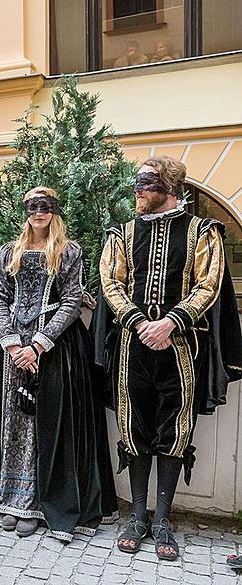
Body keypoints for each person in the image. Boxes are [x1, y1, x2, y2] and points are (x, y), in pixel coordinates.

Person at [96, 157, 241, 561]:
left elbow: (209, 282)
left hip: (181, 348)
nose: (137, 190)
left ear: (169, 186)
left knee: (175, 430)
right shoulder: (122, 233)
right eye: (137, 182)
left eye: (145, 182)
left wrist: (171, 323)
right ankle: (137, 516)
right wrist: (140, 322)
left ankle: (162, 518)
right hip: (132, 346)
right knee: (135, 424)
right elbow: (111, 280)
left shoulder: (201, 231)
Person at [0, 187, 116, 541]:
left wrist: (41, 343)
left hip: (56, 349)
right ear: (26, 212)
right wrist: (13, 343)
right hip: (10, 348)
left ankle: (37, 504)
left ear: (54, 211)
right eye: (33, 207)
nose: (39, 213)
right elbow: (0, 299)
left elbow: (73, 299)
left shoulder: (68, 251)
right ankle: (11, 499)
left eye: (45, 207)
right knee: (10, 420)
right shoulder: (8, 253)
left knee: (45, 422)